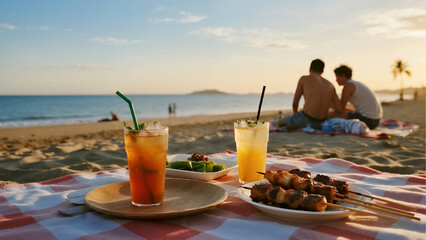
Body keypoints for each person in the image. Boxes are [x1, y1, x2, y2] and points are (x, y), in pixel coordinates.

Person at [277, 59, 342, 129]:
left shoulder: (303, 79)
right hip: (323, 121)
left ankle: (298, 124)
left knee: (279, 122)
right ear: (322, 71)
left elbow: (295, 104)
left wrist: (296, 116)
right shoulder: (330, 85)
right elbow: (339, 109)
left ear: (310, 69)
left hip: (306, 118)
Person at [330, 65, 382, 129]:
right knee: (341, 113)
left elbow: (340, 109)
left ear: (343, 76)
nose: (336, 80)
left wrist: (327, 105)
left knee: (330, 115)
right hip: (376, 120)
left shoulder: (348, 86)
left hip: (368, 120)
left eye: (337, 77)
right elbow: (344, 108)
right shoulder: (354, 84)